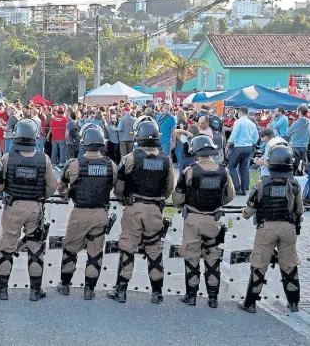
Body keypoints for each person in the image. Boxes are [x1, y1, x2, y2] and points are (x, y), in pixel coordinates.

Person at [109, 120, 175, 304]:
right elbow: (170, 188)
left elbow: (119, 188)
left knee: (127, 247)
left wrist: (124, 198)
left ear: (139, 137)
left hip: (134, 207)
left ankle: (121, 290)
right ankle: (157, 293)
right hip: (155, 209)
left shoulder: (130, 158)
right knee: (155, 249)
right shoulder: (166, 160)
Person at [0, 119, 57, 301]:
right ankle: (35, 291)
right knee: (35, 248)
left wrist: (6, 193)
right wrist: (38, 196)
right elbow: (52, 187)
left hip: (13, 207)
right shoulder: (43, 159)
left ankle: (2, 289)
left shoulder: (7, 158)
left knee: (7, 246)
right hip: (35, 208)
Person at [172, 134, 235, 308]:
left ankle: (191, 297)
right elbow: (230, 196)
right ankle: (213, 299)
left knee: (192, 257)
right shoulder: (224, 171)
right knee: (213, 258)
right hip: (213, 220)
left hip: (193, 219)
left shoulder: (190, 171)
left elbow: (177, 199)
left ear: (195, 152)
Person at [239, 144, 303, 313]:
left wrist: (244, 212)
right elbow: (299, 210)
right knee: (289, 265)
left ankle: (250, 304)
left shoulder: (262, 184)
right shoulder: (294, 184)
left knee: (259, 264)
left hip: (266, 229)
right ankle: (294, 303)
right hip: (288, 228)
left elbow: (249, 210)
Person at [57, 125, 117, 299]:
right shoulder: (110, 165)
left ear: (83, 143)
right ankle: (89, 290)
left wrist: (67, 193)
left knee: (70, 249)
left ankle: (66, 285)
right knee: (95, 252)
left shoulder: (74, 164)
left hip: (80, 213)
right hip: (100, 214)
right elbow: (115, 187)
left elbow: (61, 187)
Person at [226, 107, 259, 196]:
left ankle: (237, 187)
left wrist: (228, 144)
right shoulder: (252, 123)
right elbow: (256, 137)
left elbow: (234, 134)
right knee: (244, 168)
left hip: (239, 146)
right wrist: (251, 143)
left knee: (232, 166)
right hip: (248, 147)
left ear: (240, 112)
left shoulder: (238, 122)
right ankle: (244, 188)